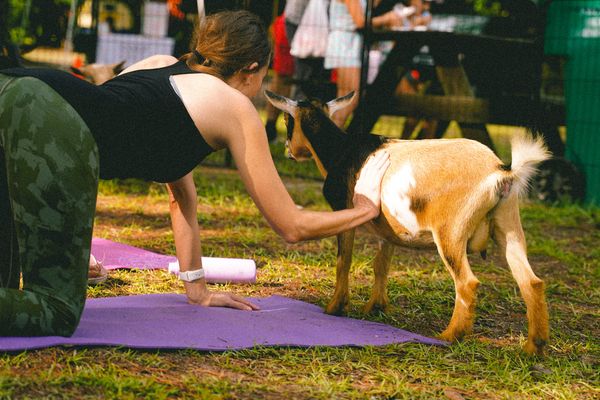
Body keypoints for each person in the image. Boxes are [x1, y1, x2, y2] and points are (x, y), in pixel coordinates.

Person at [0, 10, 390, 337]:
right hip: (37, 116)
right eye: (263, 77)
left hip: (16, 89)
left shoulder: (158, 65)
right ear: (251, 70)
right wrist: (366, 209)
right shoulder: (235, 107)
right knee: (55, 311)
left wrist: (197, 288)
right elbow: (292, 225)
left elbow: (180, 195)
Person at [324, 0, 405, 128]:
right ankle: (329, 139)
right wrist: (387, 18)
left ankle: (331, 138)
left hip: (351, 44)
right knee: (349, 99)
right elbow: (360, 22)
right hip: (344, 44)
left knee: (345, 99)